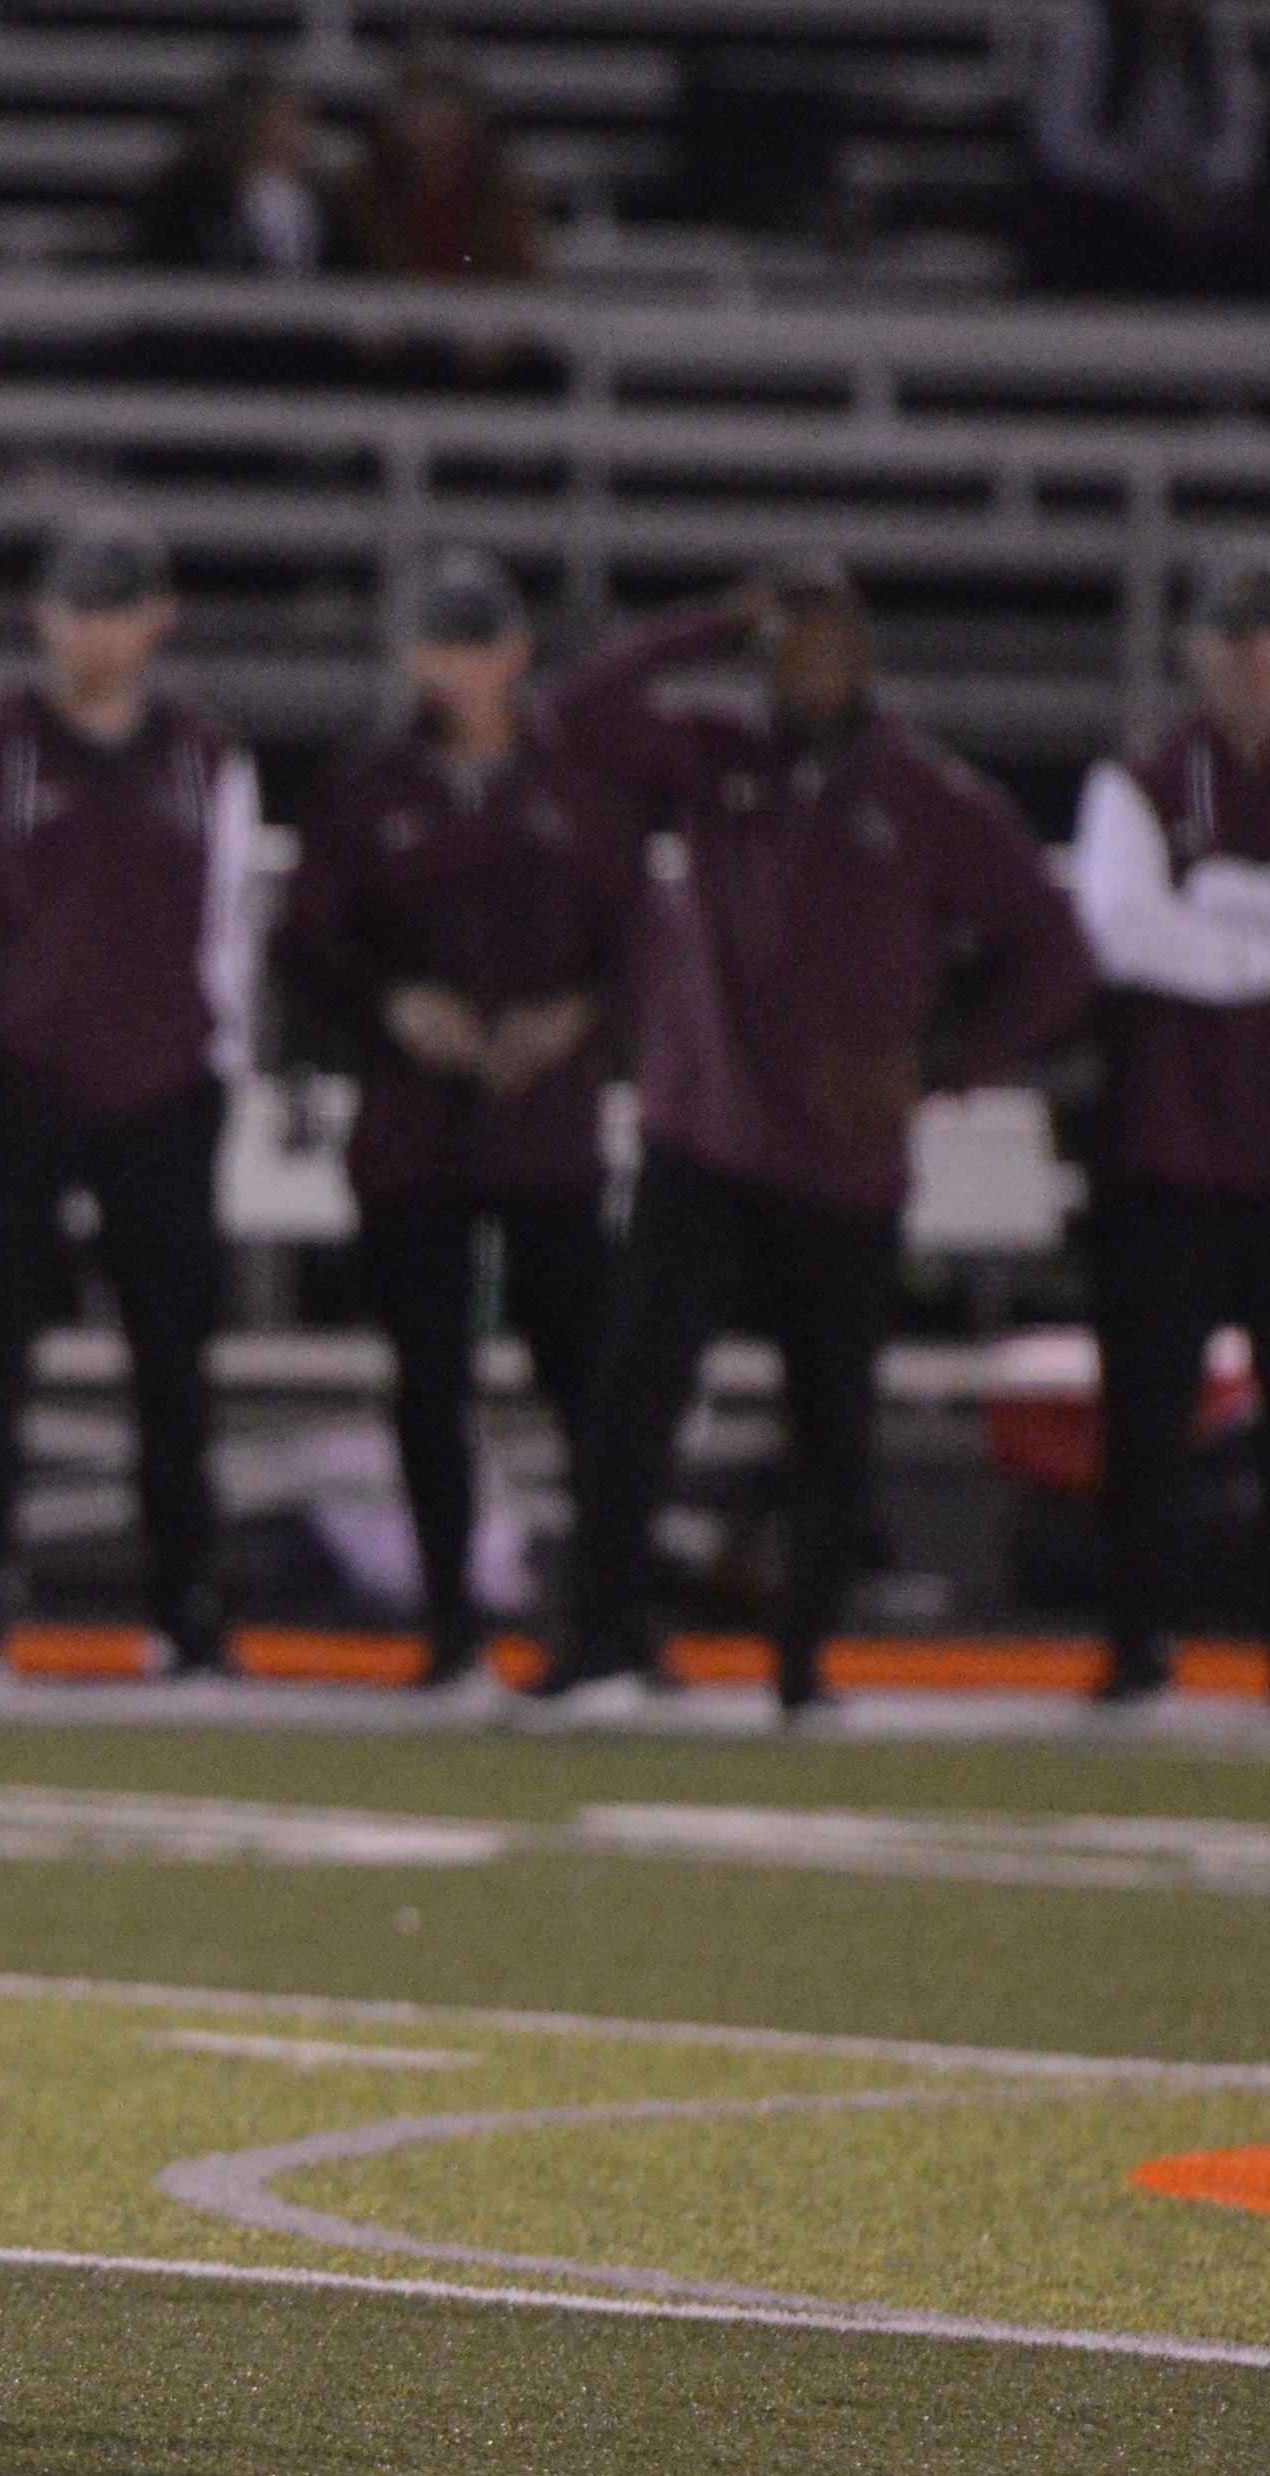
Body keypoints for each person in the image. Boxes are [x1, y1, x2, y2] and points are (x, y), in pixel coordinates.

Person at [542, 564, 1095, 1718]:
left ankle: (804, 1665)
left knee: (833, 1419)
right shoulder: (718, 763)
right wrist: (710, 614)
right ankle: (601, 1642)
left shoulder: (927, 796)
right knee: (635, 1395)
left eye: (827, 642)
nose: (808, 664)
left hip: (843, 1159)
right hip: (703, 1137)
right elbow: (581, 711)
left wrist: (942, 1067)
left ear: (865, 656)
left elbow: (1053, 951)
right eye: (787, 645)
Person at [0, 509, 265, 1678]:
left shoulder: (207, 761)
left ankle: (189, 1611)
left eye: (117, 609)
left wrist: (214, 1061)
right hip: (24, 1083)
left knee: (173, 1364)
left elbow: (230, 931)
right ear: (45, 616)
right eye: (78, 608)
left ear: (157, 618)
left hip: (161, 1085)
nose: (96, 634)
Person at [274, 552, 640, 1687]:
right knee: (428, 1381)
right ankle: (448, 1622)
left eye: (477, 646)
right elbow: (308, 948)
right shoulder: (368, 790)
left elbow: (640, 951)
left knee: (585, 1382)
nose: (460, 671)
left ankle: (604, 1621)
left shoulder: (577, 789)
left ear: (515, 655)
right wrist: (396, 1006)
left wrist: (574, 1021)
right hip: (415, 1133)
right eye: (440, 647)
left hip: (547, 1129)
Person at [1070, 543, 1270, 1701]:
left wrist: (1220, 925)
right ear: (1196, 652)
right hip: (1171, 1159)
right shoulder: (1144, 782)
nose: (1248, 661)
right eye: (1229, 638)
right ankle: (1137, 1641)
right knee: (1146, 1420)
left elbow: (1173, 932)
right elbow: (1124, 930)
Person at [1022, 0, 1267, 298]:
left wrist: (1196, 185)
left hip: (1194, 200)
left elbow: (1238, 139)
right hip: (1108, 199)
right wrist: (1137, 182)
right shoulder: (1089, 28)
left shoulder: (1216, 33)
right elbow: (1064, 142)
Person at [335, 38, 545, 283]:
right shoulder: (358, 198)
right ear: (395, 118)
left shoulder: (502, 199)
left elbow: (518, 279)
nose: (432, 124)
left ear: (467, 119)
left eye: (445, 108)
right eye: (420, 109)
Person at [136, 58, 337, 276]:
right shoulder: (186, 198)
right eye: (275, 120)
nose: (292, 136)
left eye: (295, 121)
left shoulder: (323, 201)